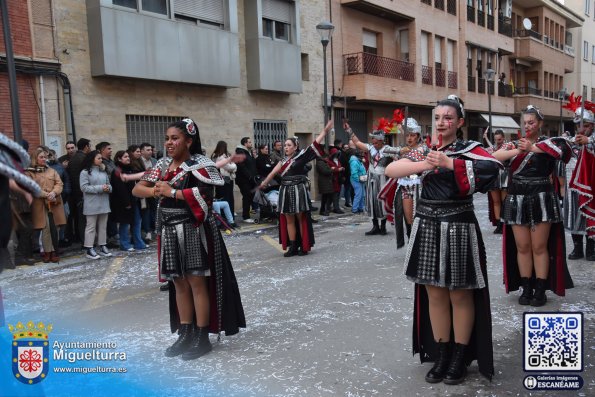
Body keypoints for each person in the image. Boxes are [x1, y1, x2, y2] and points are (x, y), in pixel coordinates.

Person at [385, 95, 500, 385]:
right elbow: (391, 170)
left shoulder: (470, 149)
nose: (441, 123)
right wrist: (425, 162)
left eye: (448, 118)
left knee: (459, 294)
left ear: (460, 122)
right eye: (437, 118)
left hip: (458, 224)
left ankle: (460, 356)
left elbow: (494, 169)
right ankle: (443, 353)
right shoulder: (425, 150)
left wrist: (450, 163)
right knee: (434, 293)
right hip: (427, 225)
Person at [132, 118, 245, 360]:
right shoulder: (162, 165)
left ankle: (202, 336)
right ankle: (186, 332)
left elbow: (205, 197)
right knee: (178, 283)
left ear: (189, 141)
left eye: (175, 138)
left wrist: (171, 192)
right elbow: (137, 189)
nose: (169, 143)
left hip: (193, 228)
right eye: (167, 138)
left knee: (196, 282)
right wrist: (155, 190)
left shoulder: (201, 165)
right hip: (170, 229)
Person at [494, 105, 574, 307]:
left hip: (542, 197)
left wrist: (532, 148)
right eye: (525, 122)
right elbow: (493, 158)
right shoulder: (513, 144)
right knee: (523, 246)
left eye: (532, 122)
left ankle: (540, 289)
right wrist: (519, 149)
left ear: (540, 124)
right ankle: (526, 286)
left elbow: (564, 152)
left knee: (539, 247)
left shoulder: (551, 143)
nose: (528, 126)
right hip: (517, 196)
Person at [258, 120, 333, 257]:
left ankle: (303, 246)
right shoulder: (282, 161)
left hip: (298, 191)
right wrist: (264, 183)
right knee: (289, 220)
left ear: (295, 147)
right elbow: (272, 173)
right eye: (285, 145)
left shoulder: (301, 157)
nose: (285, 147)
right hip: (285, 191)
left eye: (288, 145)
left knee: (300, 219)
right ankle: (293, 246)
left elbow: (314, 144)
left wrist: (325, 131)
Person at [347, 119, 400, 235]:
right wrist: (349, 130)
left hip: (382, 179)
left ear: (381, 141)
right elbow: (357, 142)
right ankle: (375, 226)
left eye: (376, 143)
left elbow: (400, 151)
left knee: (382, 201)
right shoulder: (370, 148)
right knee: (371, 201)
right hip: (371, 178)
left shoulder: (388, 150)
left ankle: (383, 227)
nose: (374, 144)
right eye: (373, 142)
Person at [564, 106, 595, 260]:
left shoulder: (592, 140)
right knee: (573, 215)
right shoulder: (572, 141)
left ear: (592, 126)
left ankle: (591, 247)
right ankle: (577, 248)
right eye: (578, 126)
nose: (581, 129)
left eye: (585, 125)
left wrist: (589, 141)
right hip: (572, 187)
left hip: (591, 186)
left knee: (590, 216)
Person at [26, 147, 66, 263]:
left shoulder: (52, 171)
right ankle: (48, 252)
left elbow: (59, 184)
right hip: (40, 205)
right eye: (41, 157)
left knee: (56, 228)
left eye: (45, 157)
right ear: (35, 159)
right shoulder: (30, 172)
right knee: (46, 228)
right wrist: (45, 194)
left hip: (54, 203)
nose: (44, 159)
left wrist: (54, 192)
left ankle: (54, 251)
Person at [80, 150, 113, 260]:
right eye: (98, 158)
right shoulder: (85, 172)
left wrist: (108, 188)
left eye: (101, 158)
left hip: (104, 202)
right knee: (91, 227)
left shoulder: (103, 171)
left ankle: (103, 245)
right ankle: (89, 248)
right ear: (92, 159)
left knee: (103, 226)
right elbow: (84, 188)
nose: (101, 160)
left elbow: (109, 185)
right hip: (91, 203)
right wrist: (100, 188)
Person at [110, 150, 146, 252]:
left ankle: (138, 242)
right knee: (124, 223)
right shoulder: (117, 171)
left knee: (137, 221)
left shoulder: (129, 169)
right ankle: (124, 244)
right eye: (125, 157)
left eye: (128, 157)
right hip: (123, 203)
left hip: (133, 200)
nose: (128, 158)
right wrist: (127, 203)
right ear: (119, 159)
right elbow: (120, 189)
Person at [483, 129, 511, 234]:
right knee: (496, 201)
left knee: (505, 201)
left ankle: (505, 224)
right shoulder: (491, 148)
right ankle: (499, 224)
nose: (497, 141)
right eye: (496, 139)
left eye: (499, 139)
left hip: (504, 174)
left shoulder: (508, 146)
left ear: (503, 138)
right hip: (494, 175)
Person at [67, 137, 92, 245]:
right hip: (83, 193)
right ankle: (85, 241)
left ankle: (83, 239)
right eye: (89, 146)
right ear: (86, 147)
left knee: (81, 219)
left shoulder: (74, 158)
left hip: (77, 193)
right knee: (84, 219)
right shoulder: (84, 158)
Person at [212, 141, 237, 220]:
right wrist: (234, 164)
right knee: (227, 199)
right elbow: (231, 167)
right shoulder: (221, 157)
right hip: (225, 181)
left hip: (219, 181)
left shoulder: (215, 156)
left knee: (222, 199)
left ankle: (224, 219)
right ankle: (228, 219)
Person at [236, 137, 258, 223]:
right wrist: (249, 176)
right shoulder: (240, 152)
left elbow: (251, 165)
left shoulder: (247, 152)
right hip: (244, 180)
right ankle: (246, 217)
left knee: (250, 196)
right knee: (247, 196)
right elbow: (241, 166)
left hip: (250, 180)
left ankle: (247, 215)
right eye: (249, 142)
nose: (251, 143)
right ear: (245, 144)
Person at [139, 143, 157, 242]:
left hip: (154, 189)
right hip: (143, 190)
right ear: (142, 151)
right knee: (145, 210)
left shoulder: (154, 161)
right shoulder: (138, 162)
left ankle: (154, 229)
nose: (150, 151)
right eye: (148, 150)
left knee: (155, 209)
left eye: (151, 150)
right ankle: (147, 231)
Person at [315, 149, 334, 216]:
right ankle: (323, 210)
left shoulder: (323, 162)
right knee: (325, 198)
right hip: (324, 182)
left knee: (327, 197)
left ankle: (325, 210)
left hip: (326, 182)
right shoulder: (320, 163)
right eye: (327, 158)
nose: (327, 159)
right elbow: (325, 171)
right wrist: (331, 169)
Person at [349, 149, 366, 214]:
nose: (363, 156)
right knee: (358, 195)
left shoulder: (359, 161)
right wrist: (358, 179)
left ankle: (360, 208)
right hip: (356, 180)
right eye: (362, 154)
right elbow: (354, 173)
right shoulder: (354, 162)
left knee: (362, 195)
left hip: (361, 179)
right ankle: (354, 209)